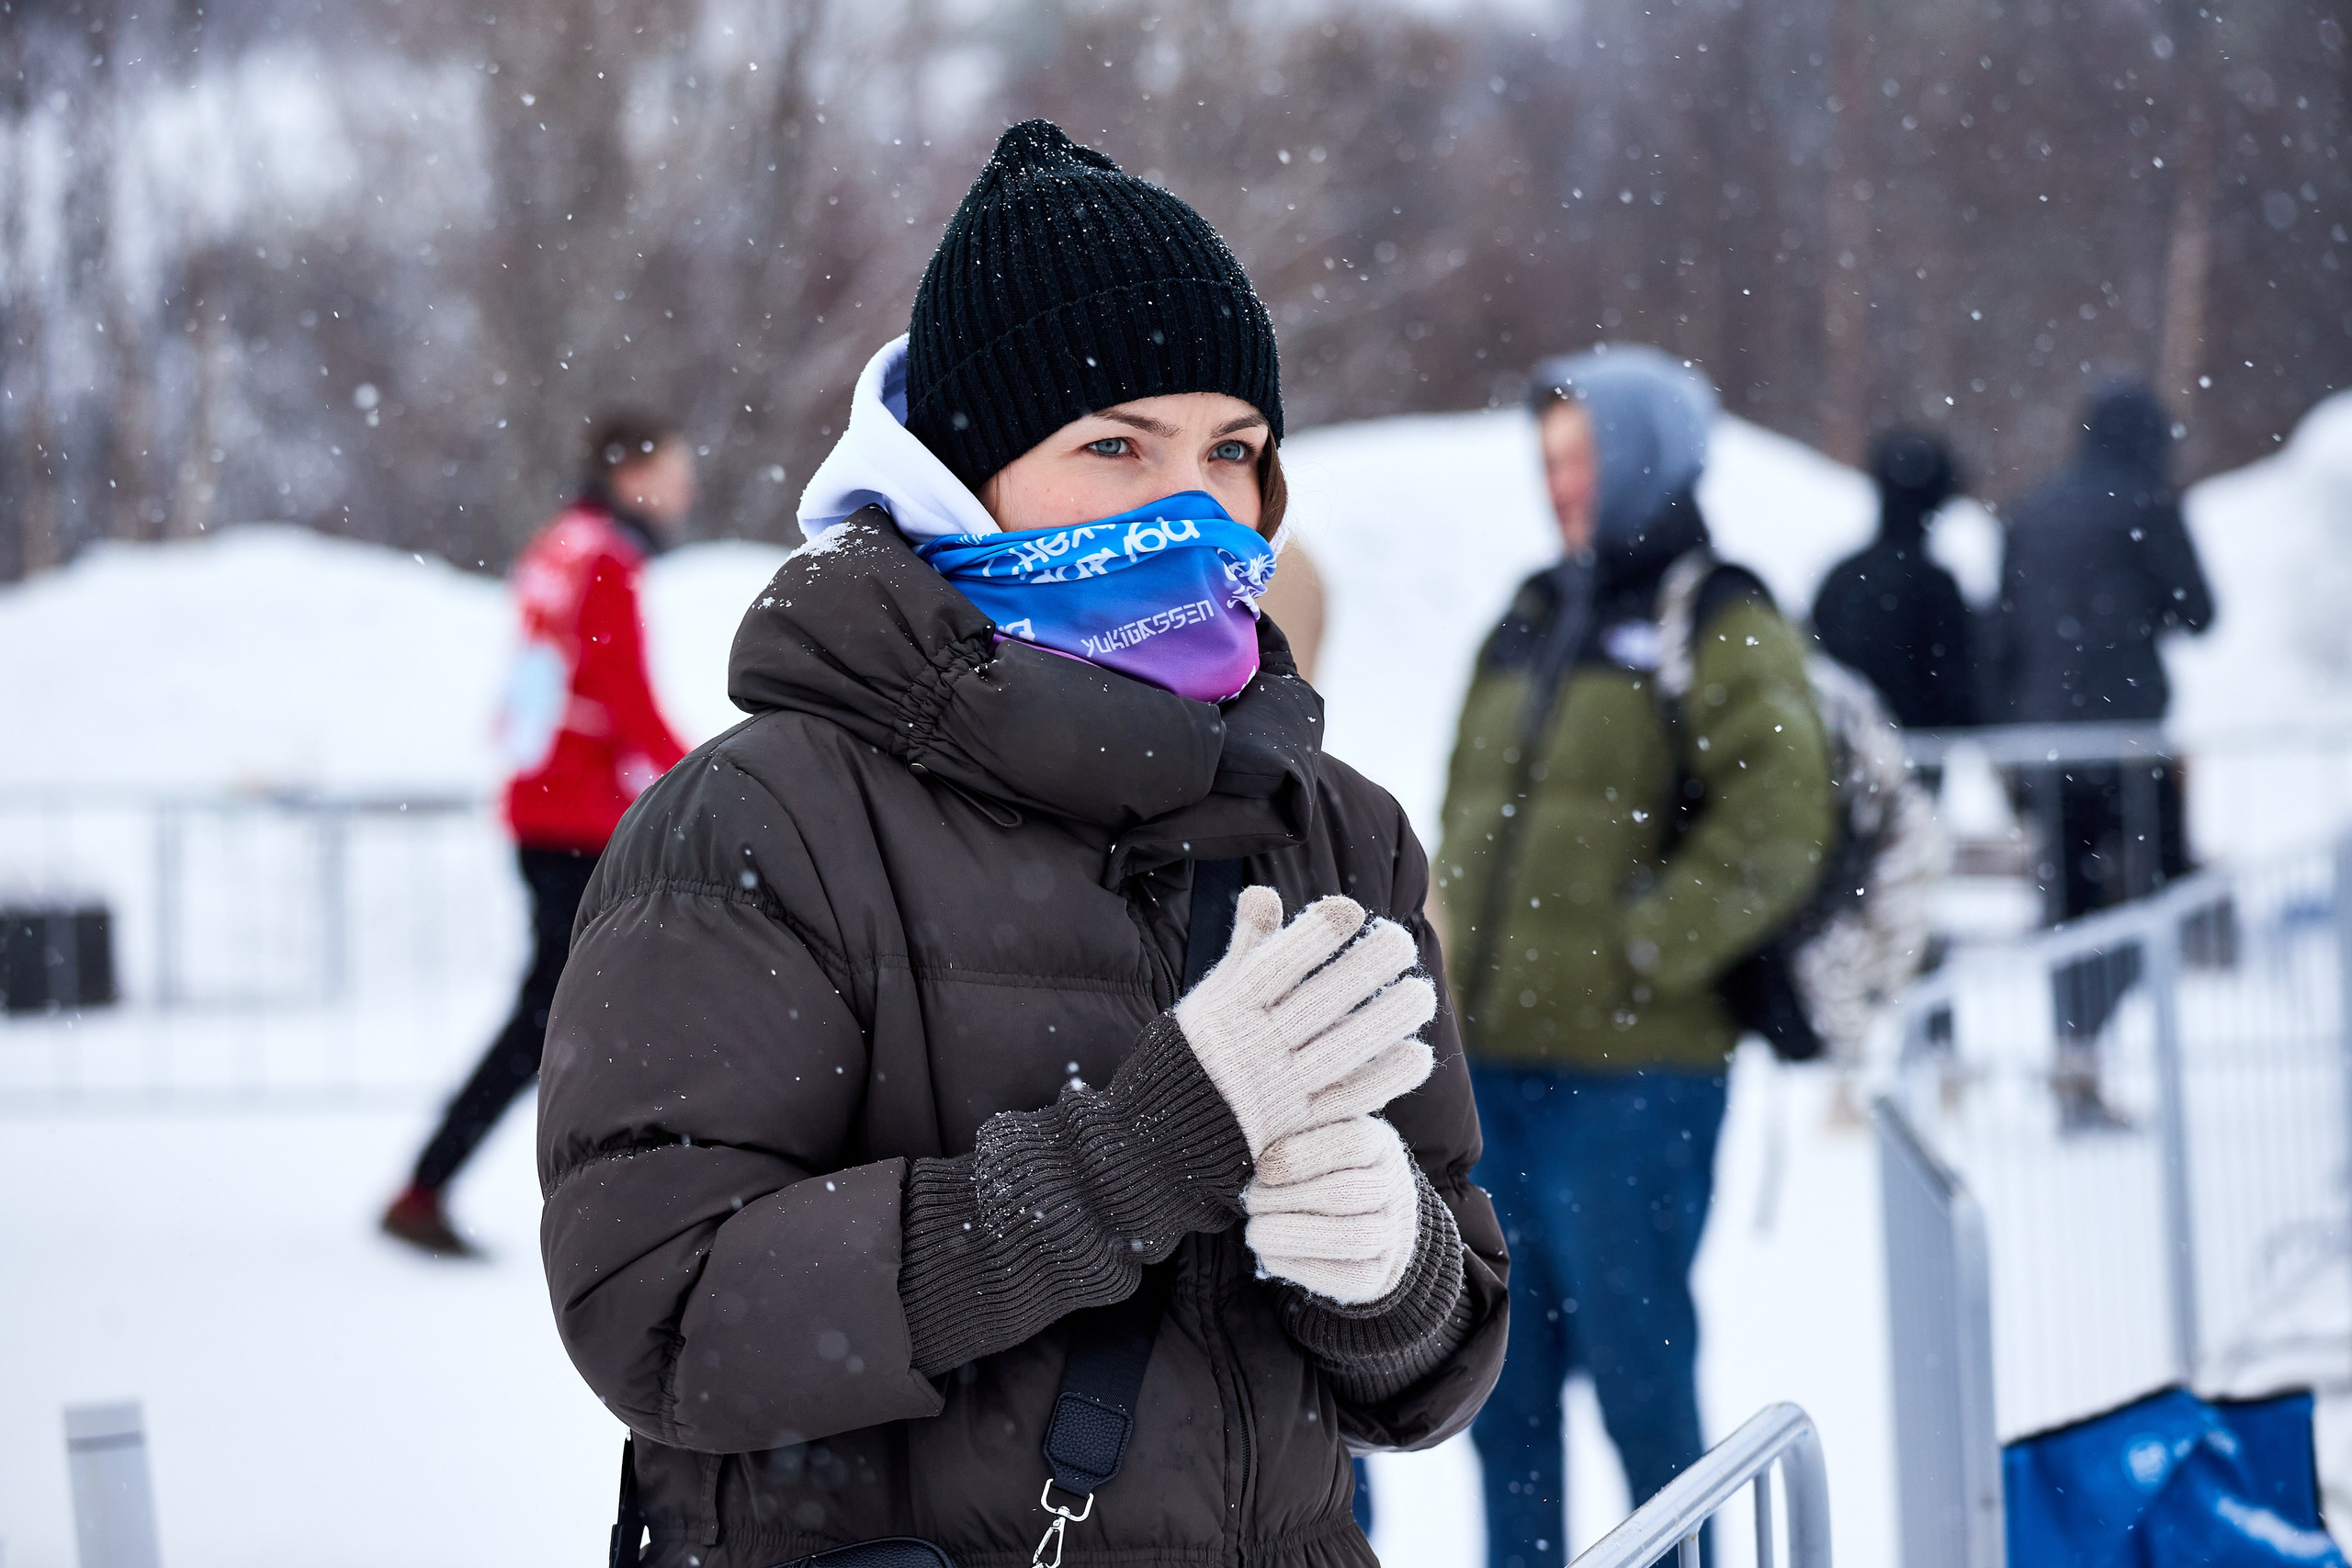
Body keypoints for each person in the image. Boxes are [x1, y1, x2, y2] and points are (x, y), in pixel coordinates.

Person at [535, 121, 1506, 1568]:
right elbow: (664, 1312)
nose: (1186, 504)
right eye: (1114, 445)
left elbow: (1430, 1366)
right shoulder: (765, 819)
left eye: (1231, 450)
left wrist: (1394, 1269)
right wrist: (1131, 1156)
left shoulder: (1336, 829)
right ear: (962, 477)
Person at [1436, 347, 1833, 1568]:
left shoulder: (1715, 617)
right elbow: (1469, 814)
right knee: (1502, 1400)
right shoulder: (1533, 611)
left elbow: (1781, 815)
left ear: (1646, 457)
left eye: (1584, 455)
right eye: (1548, 457)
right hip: (1490, 1074)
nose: (1561, 482)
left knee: (1645, 1396)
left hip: (1636, 1083)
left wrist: (1647, 942)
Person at [379, 413, 693, 1256]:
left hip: (543, 807)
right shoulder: (607, 562)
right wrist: (703, 777)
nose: (685, 488)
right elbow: (623, 697)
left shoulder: (561, 544)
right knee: (567, 1012)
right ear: (632, 475)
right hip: (577, 817)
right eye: (675, 469)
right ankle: (433, 1184)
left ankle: (439, 1180)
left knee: (570, 1009)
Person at [1993, 379, 2214, 1128]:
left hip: (2051, 742)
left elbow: (2005, 632)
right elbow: (2201, 610)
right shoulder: (2148, 505)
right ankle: (2089, 1041)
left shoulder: (2033, 510)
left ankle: (2075, 1049)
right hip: (2129, 742)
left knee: (2070, 905)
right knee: (2156, 894)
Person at [1812, 430, 1980, 731]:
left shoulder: (1841, 579)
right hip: (1912, 767)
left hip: (1843, 765)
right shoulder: (1936, 588)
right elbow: (1963, 699)